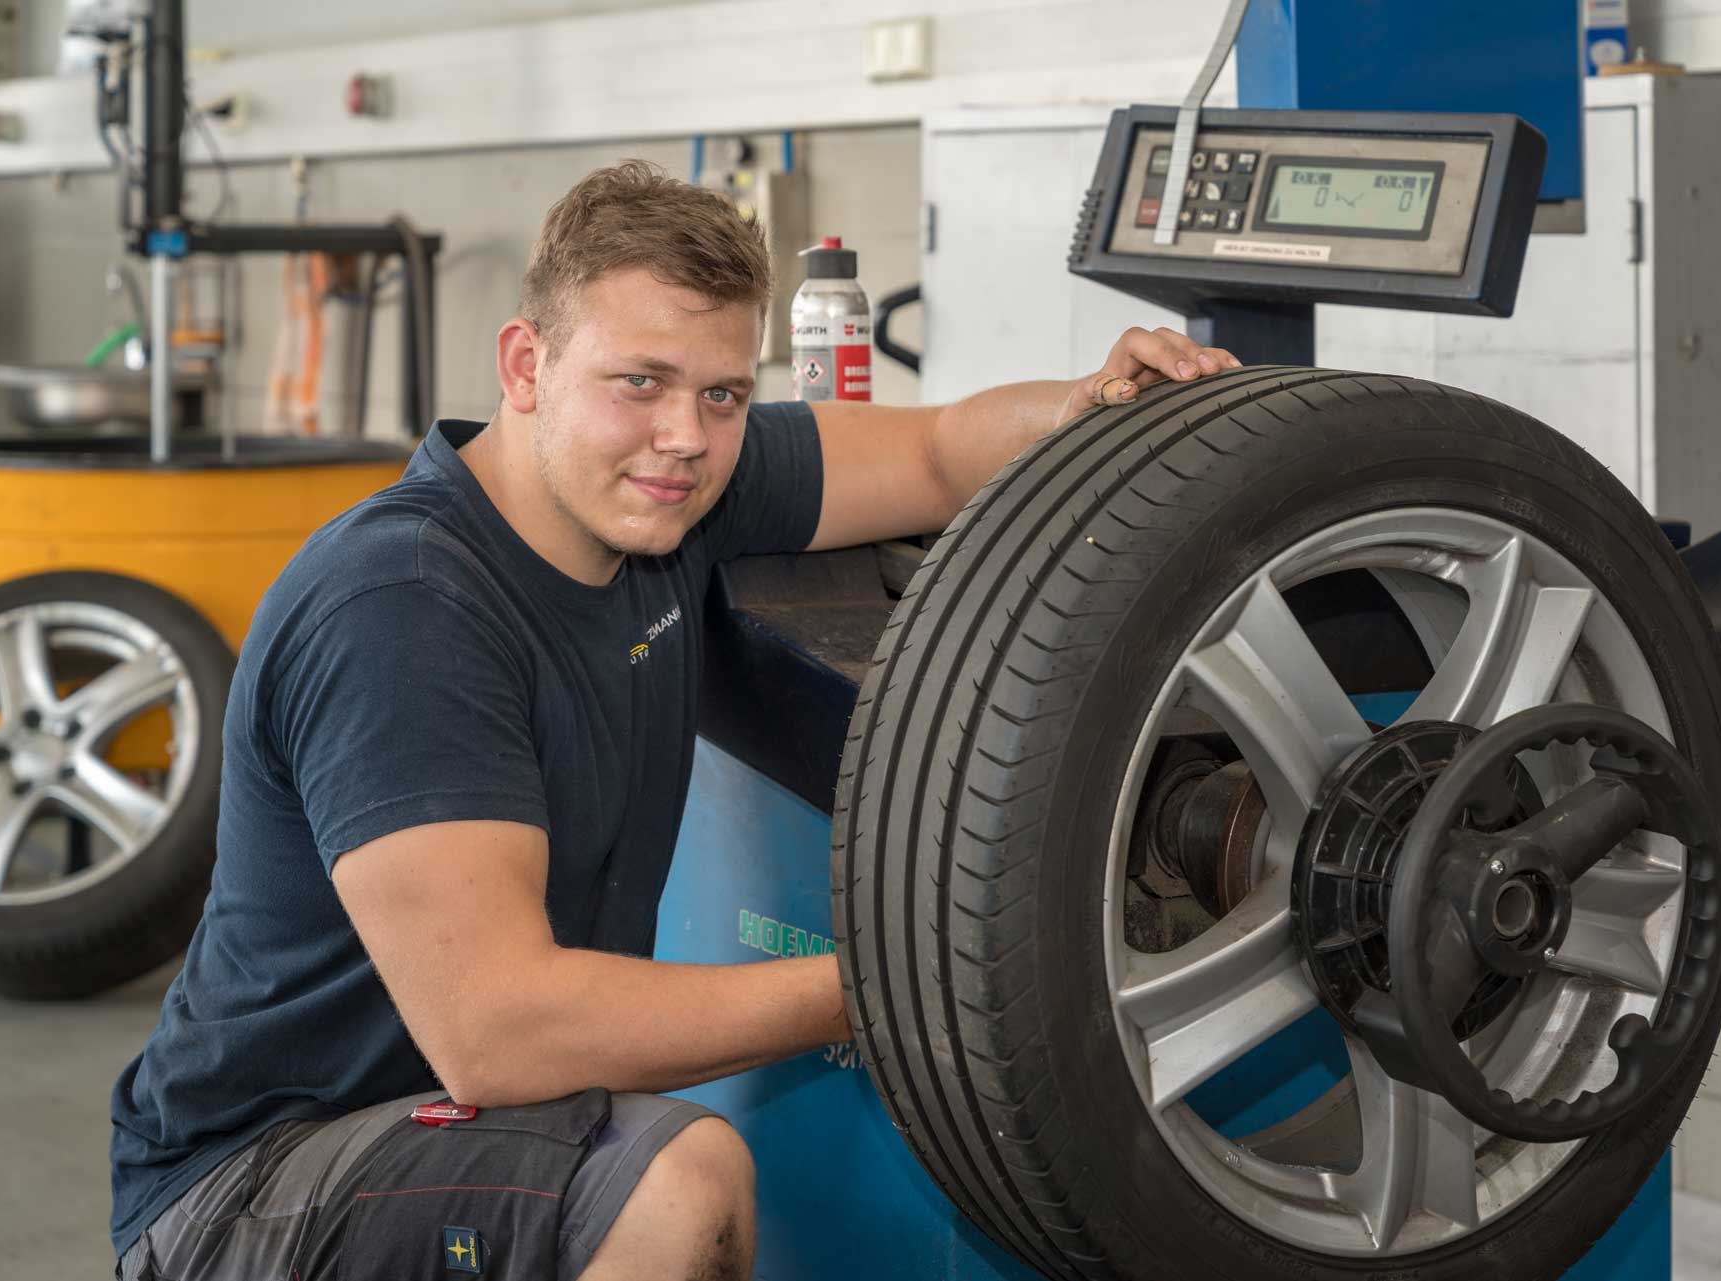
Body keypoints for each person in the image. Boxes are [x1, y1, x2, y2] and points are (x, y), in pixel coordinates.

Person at [108, 159, 1240, 1281]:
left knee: (639, 1154)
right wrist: (926, 970)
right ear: (526, 365)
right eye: (637, 382)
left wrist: (1097, 413)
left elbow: (942, 452)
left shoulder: (665, 492)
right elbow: (502, 1033)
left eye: (722, 392)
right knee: (670, 1183)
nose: (685, 434)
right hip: (250, 1191)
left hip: (458, 1137)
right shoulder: (405, 608)